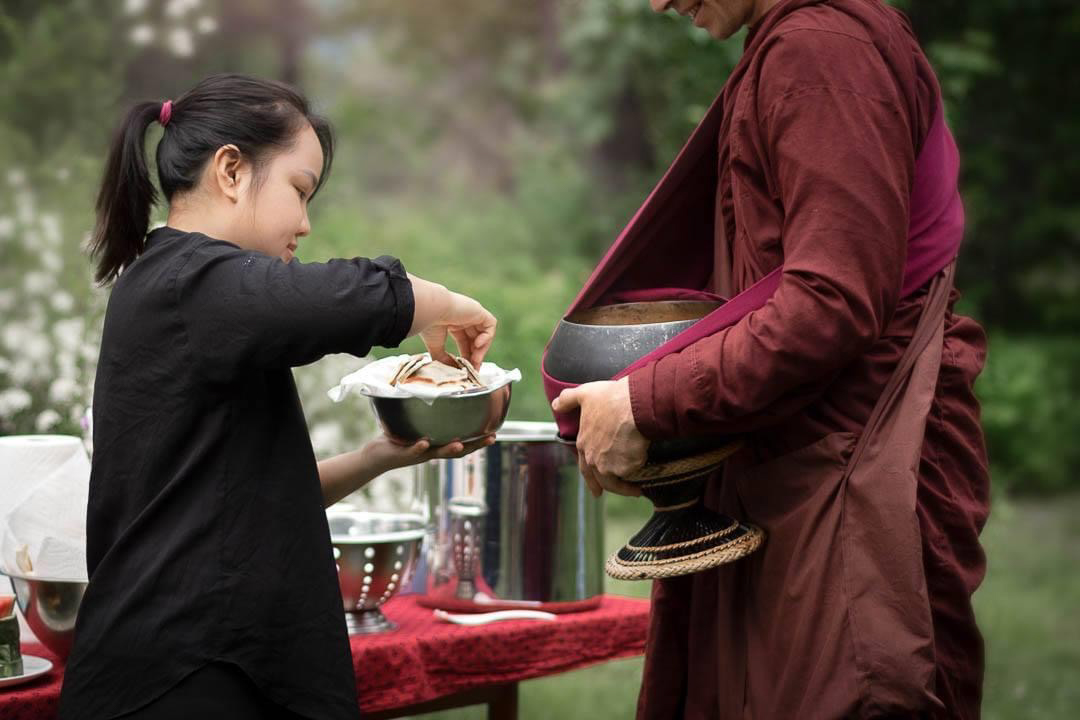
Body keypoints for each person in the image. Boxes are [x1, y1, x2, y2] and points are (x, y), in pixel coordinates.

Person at [552, 1, 990, 718]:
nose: (659, 2)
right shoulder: (796, 41)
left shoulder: (823, 50)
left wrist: (648, 402)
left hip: (858, 466)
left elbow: (831, 301)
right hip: (803, 459)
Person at [58, 73, 498, 720]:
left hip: (198, 667)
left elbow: (241, 502)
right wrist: (446, 306)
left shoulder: (191, 298)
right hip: (184, 680)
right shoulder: (187, 282)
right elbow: (344, 298)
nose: (306, 223)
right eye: (300, 190)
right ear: (231, 170)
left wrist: (379, 457)